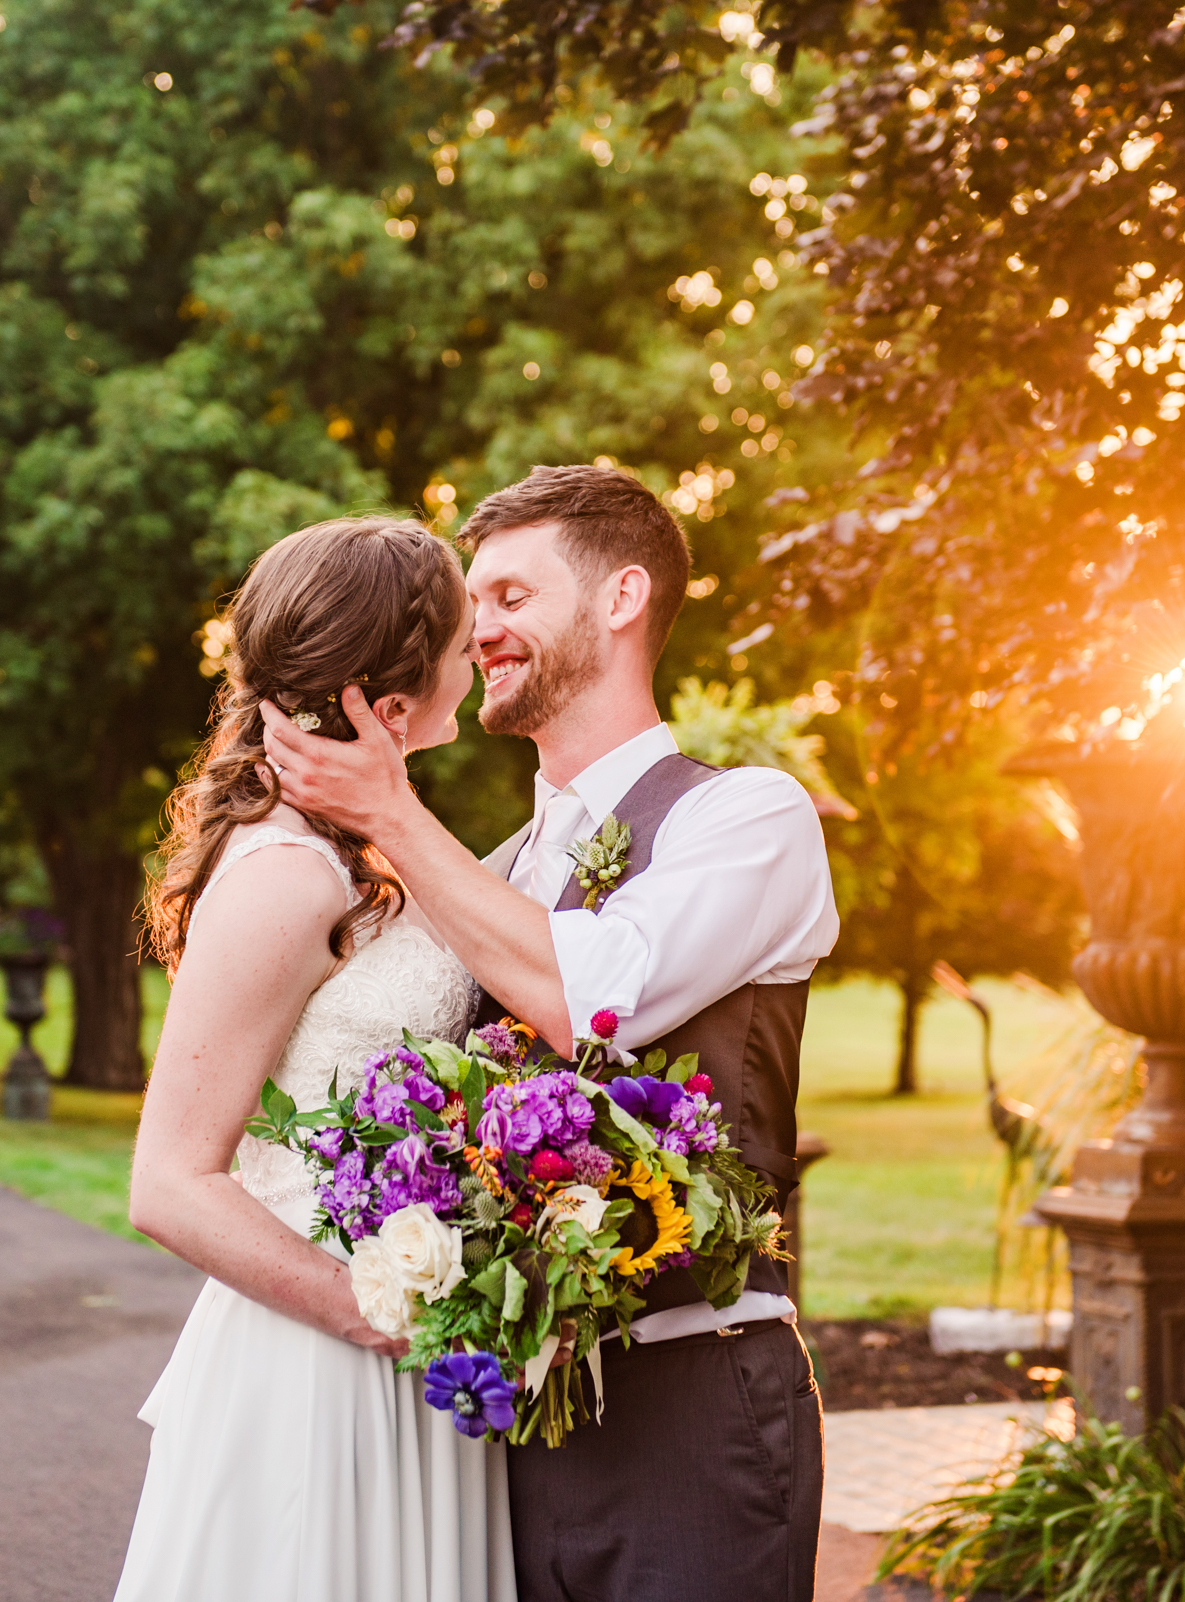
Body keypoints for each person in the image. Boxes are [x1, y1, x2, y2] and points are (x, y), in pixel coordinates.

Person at [262, 464, 838, 1602]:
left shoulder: (747, 817)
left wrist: (388, 810)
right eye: (477, 604)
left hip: (696, 1412)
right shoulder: (495, 873)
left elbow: (596, 997)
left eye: (513, 597)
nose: (480, 630)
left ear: (622, 598)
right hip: (501, 1429)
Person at [114, 516, 515, 1602]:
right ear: (383, 706)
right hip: (322, 1361)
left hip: (406, 1346)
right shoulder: (287, 877)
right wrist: (373, 1313)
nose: (478, 654)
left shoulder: (369, 848)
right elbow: (168, 1182)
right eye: (463, 637)